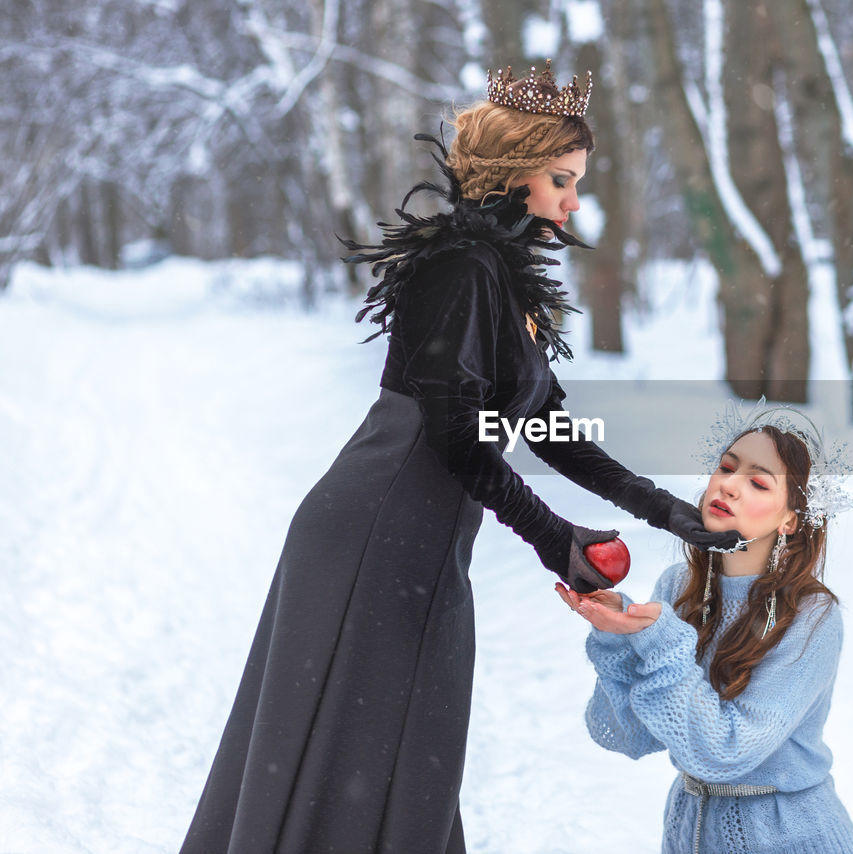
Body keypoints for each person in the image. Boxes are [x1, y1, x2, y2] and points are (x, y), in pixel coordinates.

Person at [181, 61, 742, 854]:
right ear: (514, 174)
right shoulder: (459, 269)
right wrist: (557, 538)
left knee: (409, 752)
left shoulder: (507, 284)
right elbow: (456, 435)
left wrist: (665, 510)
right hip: (373, 536)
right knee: (371, 747)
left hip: (423, 540)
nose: (574, 201)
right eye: (561, 178)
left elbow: (550, 429)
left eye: (577, 181)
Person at [557, 406, 853, 854]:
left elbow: (726, 751)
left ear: (790, 519)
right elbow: (624, 734)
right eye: (726, 468)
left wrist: (659, 640)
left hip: (789, 837)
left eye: (758, 481)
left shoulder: (812, 615)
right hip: (689, 830)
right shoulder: (678, 587)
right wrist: (618, 636)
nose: (728, 484)